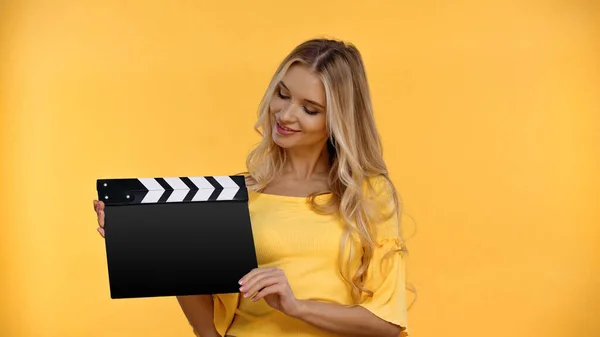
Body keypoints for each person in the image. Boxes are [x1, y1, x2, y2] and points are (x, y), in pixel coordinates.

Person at [93, 38, 410, 337]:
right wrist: (141, 237)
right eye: (282, 94)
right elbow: (209, 329)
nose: (285, 115)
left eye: (309, 109)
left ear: (339, 119)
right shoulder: (233, 195)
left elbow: (388, 323)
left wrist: (296, 307)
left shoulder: (367, 195)